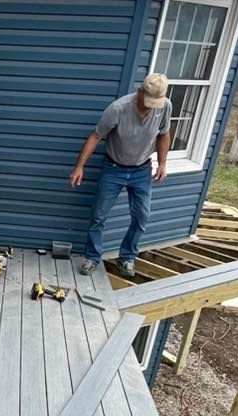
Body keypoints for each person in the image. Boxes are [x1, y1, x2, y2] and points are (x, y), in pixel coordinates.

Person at [69, 72, 173, 277]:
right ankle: (92, 257)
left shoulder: (165, 106)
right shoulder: (118, 108)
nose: (151, 106)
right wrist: (79, 166)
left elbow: (164, 134)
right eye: (148, 101)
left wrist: (162, 163)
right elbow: (95, 136)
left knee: (142, 217)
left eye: (156, 103)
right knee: (99, 216)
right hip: (114, 168)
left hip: (142, 170)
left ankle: (127, 258)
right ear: (140, 91)